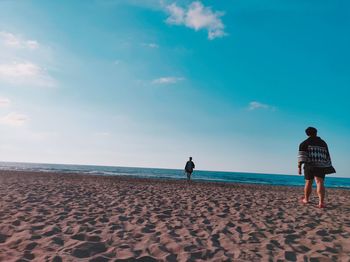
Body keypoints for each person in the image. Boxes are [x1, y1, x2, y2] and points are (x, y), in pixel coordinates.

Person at [298, 127, 336, 208]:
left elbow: (301, 157)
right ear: (316, 133)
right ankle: (321, 203)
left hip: (309, 166)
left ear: (307, 134)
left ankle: (306, 199)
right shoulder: (323, 143)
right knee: (320, 182)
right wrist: (327, 165)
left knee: (308, 182)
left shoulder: (304, 143)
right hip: (321, 166)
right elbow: (327, 155)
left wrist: (299, 167)